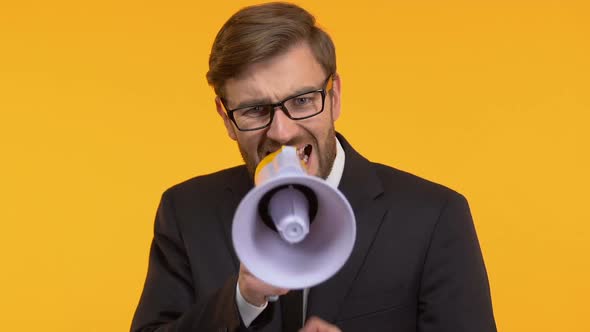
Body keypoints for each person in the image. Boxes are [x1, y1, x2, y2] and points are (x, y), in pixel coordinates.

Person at [131, 2, 497, 331]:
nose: (282, 131)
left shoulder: (432, 216)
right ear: (226, 118)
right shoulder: (186, 211)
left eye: (303, 100)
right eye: (255, 110)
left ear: (334, 97)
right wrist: (239, 301)